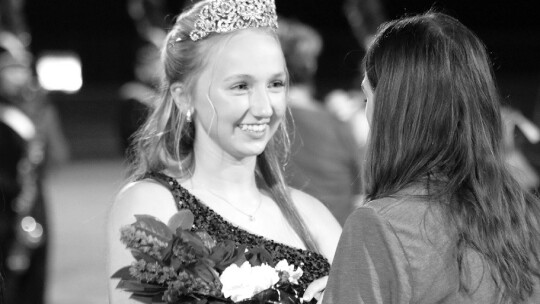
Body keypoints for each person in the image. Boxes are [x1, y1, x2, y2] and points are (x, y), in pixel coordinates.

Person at [107, 0, 341, 303]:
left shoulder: (311, 216)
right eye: (240, 86)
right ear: (184, 97)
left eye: (275, 83)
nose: (263, 108)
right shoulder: (151, 205)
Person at [323, 11, 540, 304]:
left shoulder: (379, 225)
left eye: (368, 97)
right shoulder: (527, 216)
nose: (367, 112)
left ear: (394, 109)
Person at [278, 17, 363, 226]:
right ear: (311, 65)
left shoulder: (261, 123)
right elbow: (362, 193)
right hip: (338, 242)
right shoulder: (341, 124)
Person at [0, 46, 47, 304]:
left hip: (30, 210)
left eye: (22, 70)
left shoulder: (29, 113)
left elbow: (58, 159)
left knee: (32, 286)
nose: (19, 76)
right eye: (11, 70)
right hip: (8, 214)